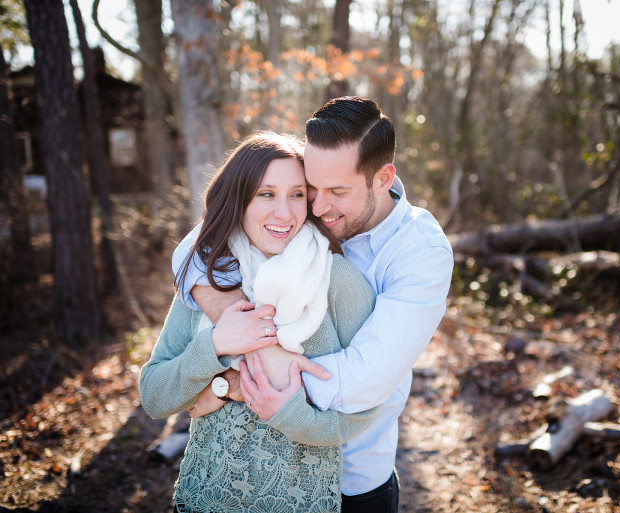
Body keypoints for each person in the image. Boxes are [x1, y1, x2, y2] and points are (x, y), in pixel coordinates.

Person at [173, 97, 454, 512]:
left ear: (383, 177)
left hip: (352, 480)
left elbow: (365, 377)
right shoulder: (301, 203)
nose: (317, 209)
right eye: (313, 189)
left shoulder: (421, 252)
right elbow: (193, 250)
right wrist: (227, 310)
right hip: (268, 477)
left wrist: (237, 382)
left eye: (338, 192)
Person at [140, 131, 380, 513]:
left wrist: (289, 413)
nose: (284, 213)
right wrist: (215, 348)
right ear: (239, 199)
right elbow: (153, 396)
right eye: (265, 194)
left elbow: (367, 404)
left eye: (297, 194)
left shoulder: (339, 280)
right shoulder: (213, 276)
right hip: (205, 500)